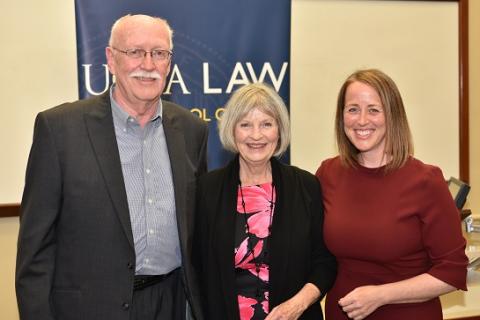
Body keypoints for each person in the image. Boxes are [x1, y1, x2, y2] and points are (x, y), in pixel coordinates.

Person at [15, 14, 207, 320]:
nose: (147, 64)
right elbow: (35, 252)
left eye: (159, 53)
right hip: (90, 308)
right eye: (134, 52)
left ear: (168, 63)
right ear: (110, 59)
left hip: (172, 303)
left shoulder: (192, 130)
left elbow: (198, 232)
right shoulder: (59, 130)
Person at [316, 69, 469, 320]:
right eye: (353, 109)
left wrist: (380, 295)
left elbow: (452, 273)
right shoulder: (328, 173)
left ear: (392, 115)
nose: (362, 120)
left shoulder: (425, 181)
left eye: (374, 110)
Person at [193, 82, 337, 320]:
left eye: (266, 124)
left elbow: (325, 263)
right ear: (232, 130)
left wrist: (297, 306)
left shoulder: (306, 186)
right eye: (246, 125)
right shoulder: (207, 190)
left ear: (279, 130)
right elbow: (197, 268)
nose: (256, 135)